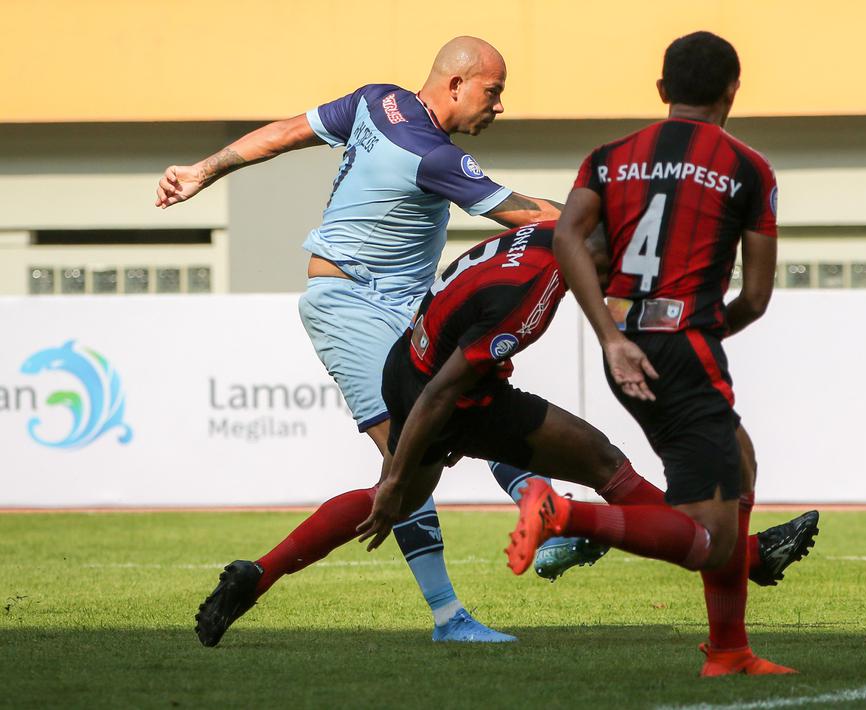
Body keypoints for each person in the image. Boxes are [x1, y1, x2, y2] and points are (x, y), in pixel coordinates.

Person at [155, 36, 599, 646]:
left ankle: (544, 516)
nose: (498, 106)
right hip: (349, 306)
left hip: (406, 305)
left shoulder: (375, 101)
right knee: (410, 461)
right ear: (455, 85)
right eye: (493, 92)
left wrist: (203, 169)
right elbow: (524, 213)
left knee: (466, 416)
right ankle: (451, 612)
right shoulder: (430, 153)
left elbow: (285, 132)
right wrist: (604, 220)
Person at [354, 221, 818, 612]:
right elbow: (440, 394)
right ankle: (743, 557)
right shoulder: (528, 297)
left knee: (387, 501)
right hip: (441, 395)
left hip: (418, 368)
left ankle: (275, 569)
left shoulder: (551, 234)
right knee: (396, 496)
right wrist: (402, 475)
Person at [518, 31, 794, 676]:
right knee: (711, 538)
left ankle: (729, 650)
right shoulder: (748, 168)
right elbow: (754, 297)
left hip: (625, 346)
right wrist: (697, 333)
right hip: (685, 349)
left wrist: (612, 335)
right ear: (733, 89)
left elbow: (566, 236)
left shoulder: (608, 158)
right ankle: (565, 515)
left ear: (663, 91)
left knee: (739, 462)